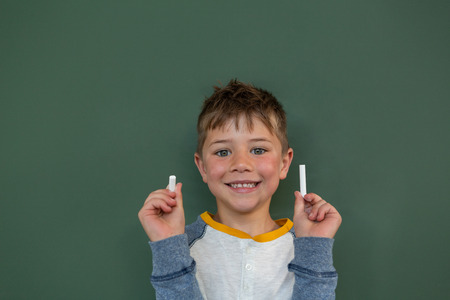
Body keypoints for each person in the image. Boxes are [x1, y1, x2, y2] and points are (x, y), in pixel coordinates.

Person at [138, 79, 342, 299]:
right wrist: (169, 246)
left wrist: (314, 249)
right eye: (223, 152)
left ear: (284, 163)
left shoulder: (306, 246)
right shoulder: (179, 246)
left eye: (258, 149)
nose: (241, 164)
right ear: (202, 167)